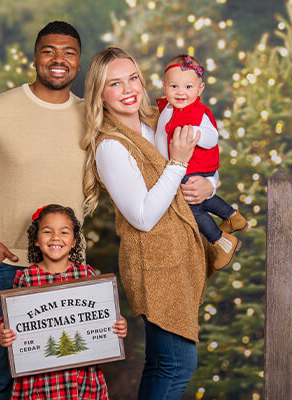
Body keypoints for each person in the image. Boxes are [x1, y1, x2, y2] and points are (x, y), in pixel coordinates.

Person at [0, 20, 87, 399]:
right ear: (34, 58)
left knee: (60, 377)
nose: (58, 59)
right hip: (6, 268)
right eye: (49, 51)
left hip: (66, 271)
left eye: (69, 53)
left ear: (78, 63)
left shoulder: (91, 116)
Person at [81, 47, 210, 400]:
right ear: (100, 94)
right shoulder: (111, 146)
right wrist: (178, 164)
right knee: (178, 365)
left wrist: (209, 185)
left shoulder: (159, 121)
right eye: (114, 84)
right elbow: (142, 216)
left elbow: (201, 162)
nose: (128, 89)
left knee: (161, 363)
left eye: (133, 78)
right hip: (153, 265)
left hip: (177, 257)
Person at [0, 204, 128, 400]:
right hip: (40, 382)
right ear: (37, 240)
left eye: (64, 232)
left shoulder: (85, 275)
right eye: (47, 231)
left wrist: (118, 324)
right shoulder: (26, 278)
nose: (56, 237)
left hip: (81, 379)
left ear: (74, 241)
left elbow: (104, 316)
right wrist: (1, 332)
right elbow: (11, 319)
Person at [155, 53, 245, 268]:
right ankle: (232, 216)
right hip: (182, 167)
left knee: (192, 207)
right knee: (200, 198)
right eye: (174, 86)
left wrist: (193, 132)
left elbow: (212, 136)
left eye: (188, 87)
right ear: (164, 86)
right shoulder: (169, 108)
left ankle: (221, 242)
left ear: (200, 89)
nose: (181, 92)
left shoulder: (197, 113)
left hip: (194, 167)